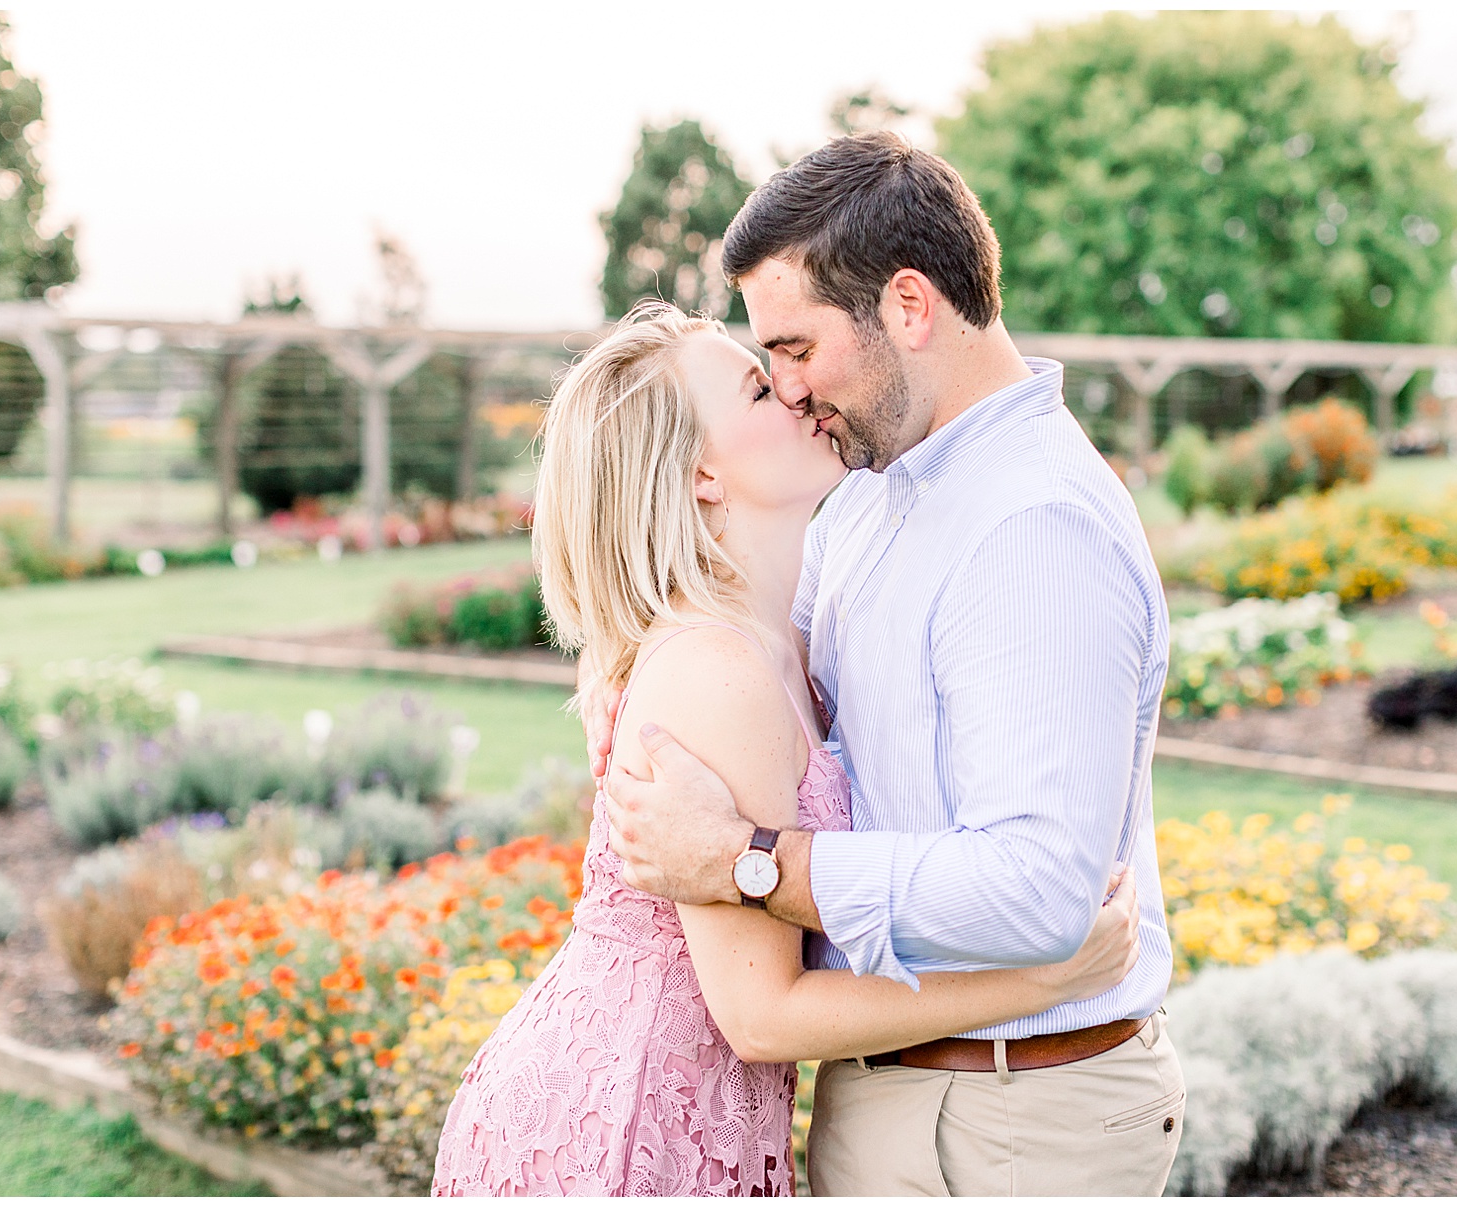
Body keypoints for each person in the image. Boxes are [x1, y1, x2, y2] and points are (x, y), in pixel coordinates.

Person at [429, 301, 1143, 1197]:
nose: (799, 391)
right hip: (628, 1122)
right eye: (761, 387)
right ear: (702, 474)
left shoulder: (777, 638)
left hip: (691, 1106)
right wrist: (1041, 978)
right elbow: (761, 1016)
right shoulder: (715, 675)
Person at [599, 131, 1184, 1196]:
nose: (781, 388)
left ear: (908, 307)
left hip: (1017, 1116)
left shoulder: (1032, 527)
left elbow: (1039, 892)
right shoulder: (867, 496)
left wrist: (748, 863)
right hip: (890, 1089)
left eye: (794, 347)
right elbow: (783, 706)